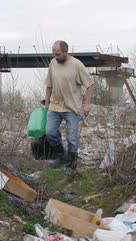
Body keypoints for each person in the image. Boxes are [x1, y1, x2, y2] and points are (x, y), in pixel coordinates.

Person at [45, 40, 94, 169]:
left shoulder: (77, 65)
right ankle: (62, 156)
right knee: (50, 132)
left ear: (66, 52)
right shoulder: (53, 63)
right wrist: (46, 104)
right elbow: (49, 85)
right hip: (55, 105)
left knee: (72, 138)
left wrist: (87, 104)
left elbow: (90, 85)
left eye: (58, 54)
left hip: (71, 107)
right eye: (54, 54)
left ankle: (72, 162)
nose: (55, 57)